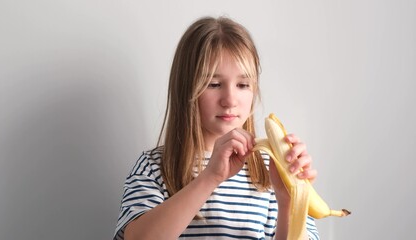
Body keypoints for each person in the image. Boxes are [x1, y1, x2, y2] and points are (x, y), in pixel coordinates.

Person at [113, 16, 319, 240]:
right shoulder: (153, 167)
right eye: (213, 84)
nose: (230, 100)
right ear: (187, 89)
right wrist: (210, 177)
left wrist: (288, 201)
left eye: (242, 85)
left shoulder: (271, 172)